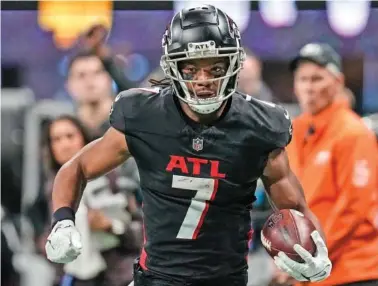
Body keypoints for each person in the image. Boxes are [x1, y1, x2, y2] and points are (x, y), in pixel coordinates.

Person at [45, 6, 332, 286]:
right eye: (192, 69)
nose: (204, 80)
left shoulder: (258, 127)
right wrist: (63, 221)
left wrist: (317, 252)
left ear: (233, 65)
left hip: (225, 279)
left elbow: (296, 210)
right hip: (156, 277)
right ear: (173, 67)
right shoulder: (146, 115)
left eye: (215, 67)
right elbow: (78, 167)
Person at [280, 43, 378, 286]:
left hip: (353, 270)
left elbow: (353, 208)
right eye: (303, 79)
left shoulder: (353, 133)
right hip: (311, 271)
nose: (309, 87)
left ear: (338, 82)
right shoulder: (295, 131)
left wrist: (311, 258)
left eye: (317, 79)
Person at [39, 115, 141, 286]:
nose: (64, 144)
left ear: (84, 138)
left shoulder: (115, 180)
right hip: (72, 277)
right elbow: (37, 238)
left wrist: (111, 226)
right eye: (56, 139)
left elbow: (144, 233)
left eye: (70, 136)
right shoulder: (49, 189)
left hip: (117, 275)